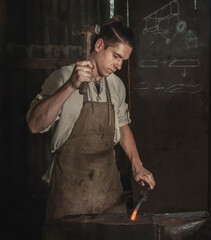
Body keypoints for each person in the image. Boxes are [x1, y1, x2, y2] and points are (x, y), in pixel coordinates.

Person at [26, 15, 155, 239]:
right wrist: (70, 86)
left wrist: (137, 165)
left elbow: (122, 125)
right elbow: (35, 125)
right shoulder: (62, 77)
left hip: (108, 193)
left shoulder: (116, 85)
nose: (119, 65)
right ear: (98, 45)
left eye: (123, 60)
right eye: (116, 57)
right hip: (70, 193)